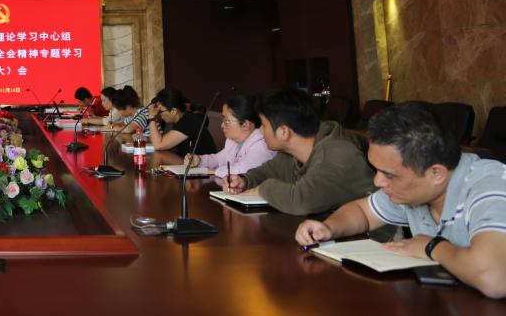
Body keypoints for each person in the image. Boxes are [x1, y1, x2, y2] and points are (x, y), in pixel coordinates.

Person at [295, 103, 506, 299]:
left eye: (389, 175)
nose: (377, 181)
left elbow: (494, 278)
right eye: (377, 170)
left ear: (436, 174)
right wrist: (329, 228)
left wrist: (431, 247)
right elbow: (362, 212)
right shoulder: (416, 189)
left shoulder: (491, 186)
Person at [224, 89, 374, 215]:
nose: (260, 131)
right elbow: (268, 171)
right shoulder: (293, 153)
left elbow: (302, 201)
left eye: (263, 125)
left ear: (284, 132)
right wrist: (244, 180)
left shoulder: (337, 152)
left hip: (372, 238)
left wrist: (263, 189)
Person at [185, 93, 275, 176]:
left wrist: (215, 171)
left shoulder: (262, 144)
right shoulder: (233, 141)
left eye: (227, 121)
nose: (222, 125)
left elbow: (244, 170)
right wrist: (200, 160)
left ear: (245, 125)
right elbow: (218, 160)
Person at [147, 87, 216, 155]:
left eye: (161, 111)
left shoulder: (187, 121)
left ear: (173, 111)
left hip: (205, 162)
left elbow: (158, 145)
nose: (159, 114)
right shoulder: (182, 119)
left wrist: (151, 117)